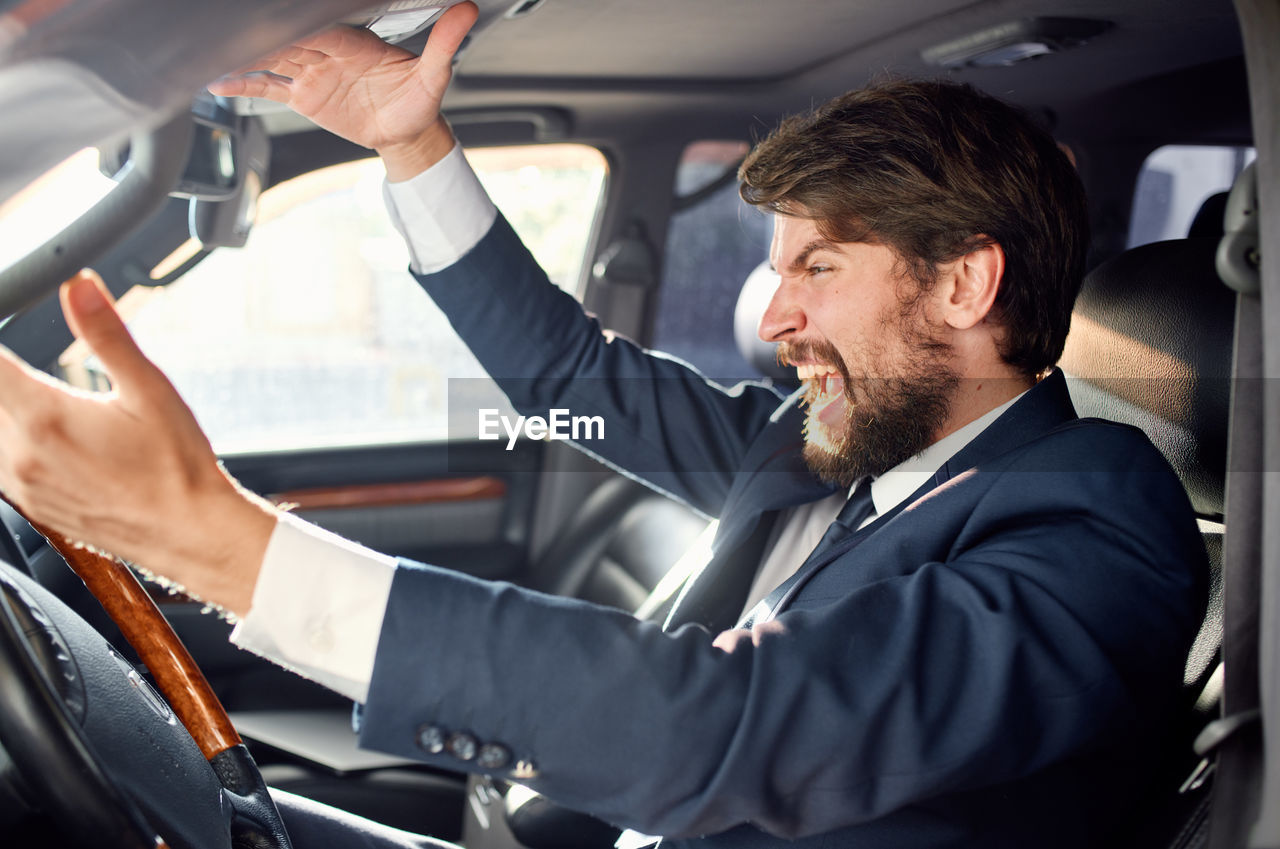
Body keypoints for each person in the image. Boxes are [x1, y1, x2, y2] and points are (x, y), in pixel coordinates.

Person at [0, 3, 1207, 847]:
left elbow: (737, 724)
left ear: (962, 286)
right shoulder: (820, 444)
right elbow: (561, 374)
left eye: (817, 267)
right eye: (773, 266)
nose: (771, 314)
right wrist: (410, 144)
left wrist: (221, 543)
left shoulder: (1098, 524)